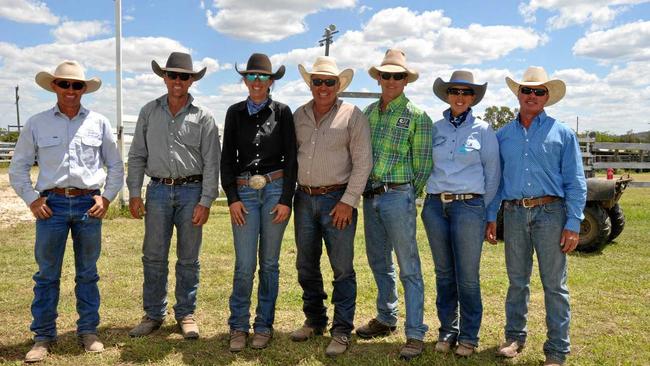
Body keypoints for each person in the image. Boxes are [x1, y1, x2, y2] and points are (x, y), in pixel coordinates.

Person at [9, 60, 124, 363]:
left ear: (84, 89)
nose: (70, 90)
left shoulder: (99, 122)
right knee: (47, 275)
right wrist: (33, 199)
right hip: (52, 206)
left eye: (76, 85)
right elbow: (18, 166)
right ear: (54, 86)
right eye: (64, 84)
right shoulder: (36, 123)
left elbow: (115, 165)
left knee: (88, 274)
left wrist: (107, 198)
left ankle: (88, 331)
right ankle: (43, 337)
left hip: (89, 205)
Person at [485, 66, 587, 366]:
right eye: (527, 90)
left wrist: (573, 222)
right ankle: (515, 337)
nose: (532, 95)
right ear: (518, 94)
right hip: (514, 213)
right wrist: (492, 216)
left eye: (538, 91)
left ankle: (556, 350)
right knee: (517, 281)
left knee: (554, 284)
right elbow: (497, 182)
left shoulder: (562, 133)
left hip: (551, 213)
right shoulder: (502, 135)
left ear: (547, 97)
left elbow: (576, 182)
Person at [126, 52, 221, 340]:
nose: (178, 81)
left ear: (191, 81)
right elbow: (137, 154)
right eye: (172, 75)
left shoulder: (204, 117)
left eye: (184, 76)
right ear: (164, 78)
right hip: (156, 191)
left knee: (189, 258)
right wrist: (133, 192)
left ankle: (186, 314)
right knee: (153, 255)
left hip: (192, 192)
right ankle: (153, 314)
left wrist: (206, 200)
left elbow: (211, 162)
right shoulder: (148, 112)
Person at [290, 56, 372, 357]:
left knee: (342, 268)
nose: (323, 87)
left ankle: (341, 329)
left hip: (337, 200)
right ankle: (314, 319)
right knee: (305, 264)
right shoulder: (298, 115)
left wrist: (347, 202)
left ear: (338, 85)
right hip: (304, 198)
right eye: (318, 81)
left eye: (329, 82)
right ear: (310, 84)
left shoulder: (353, 115)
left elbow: (363, 163)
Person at [356, 49, 433, 360]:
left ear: (405, 80)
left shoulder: (418, 117)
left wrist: (404, 193)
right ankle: (387, 318)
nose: (390, 80)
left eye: (397, 75)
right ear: (378, 78)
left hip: (398, 196)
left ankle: (415, 333)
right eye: (385, 75)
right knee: (378, 262)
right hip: (370, 196)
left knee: (408, 267)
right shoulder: (368, 113)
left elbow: (423, 165)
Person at [221, 53, 297, 351]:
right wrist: (232, 199)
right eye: (251, 76)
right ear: (244, 80)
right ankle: (238, 326)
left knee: (269, 263)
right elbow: (227, 158)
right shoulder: (234, 113)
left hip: (275, 189)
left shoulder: (283, 112)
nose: (256, 82)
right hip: (245, 192)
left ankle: (264, 325)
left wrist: (286, 198)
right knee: (244, 264)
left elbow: (291, 158)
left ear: (271, 81)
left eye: (262, 77)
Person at [421, 71, 500, 357]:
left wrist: (482, 209)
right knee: (443, 273)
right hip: (434, 206)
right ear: (447, 95)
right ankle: (447, 330)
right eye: (455, 91)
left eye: (466, 92)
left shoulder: (484, 130)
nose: (460, 96)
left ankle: (468, 336)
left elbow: (492, 176)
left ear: (473, 98)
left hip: (469, 207)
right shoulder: (435, 128)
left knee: (467, 275)